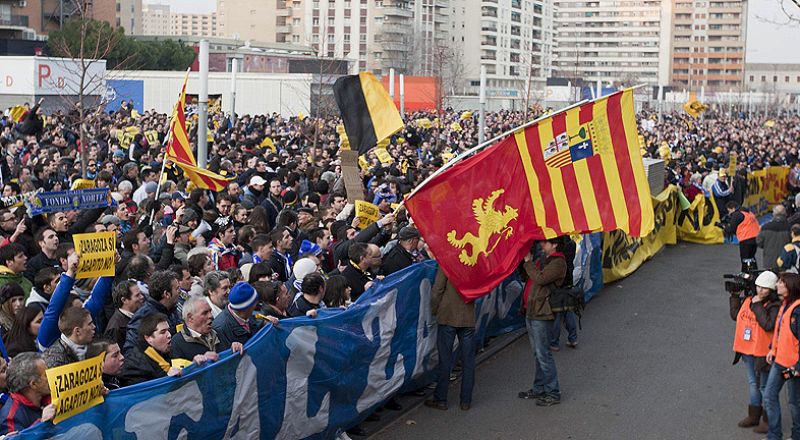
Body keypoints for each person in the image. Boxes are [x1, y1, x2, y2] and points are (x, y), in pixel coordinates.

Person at [518, 237, 566, 406]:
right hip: (531, 312)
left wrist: (528, 262)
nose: (541, 245)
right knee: (537, 354)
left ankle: (553, 392)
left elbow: (540, 279)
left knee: (543, 354)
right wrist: (524, 263)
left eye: (545, 242)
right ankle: (539, 388)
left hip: (541, 314)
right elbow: (529, 277)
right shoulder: (544, 260)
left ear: (555, 244)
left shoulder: (558, 262)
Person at [729, 271, 779, 433]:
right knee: (753, 383)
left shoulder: (774, 306)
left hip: (764, 353)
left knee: (764, 386)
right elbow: (736, 315)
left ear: (772, 290)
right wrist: (735, 297)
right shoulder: (749, 300)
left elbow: (768, 324)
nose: (760, 290)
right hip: (747, 350)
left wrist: (757, 305)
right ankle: (754, 415)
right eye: (758, 286)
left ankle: (767, 420)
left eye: (765, 288)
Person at [425, 268, 476, 411]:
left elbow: (437, 290)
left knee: (445, 359)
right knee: (468, 361)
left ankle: (441, 399)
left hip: (448, 315)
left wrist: (434, 310)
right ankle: (466, 401)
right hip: (468, 315)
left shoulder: (447, 264)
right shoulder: (474, 264)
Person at [763, 272, 800, 440]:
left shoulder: (797, 311)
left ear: (790, 286)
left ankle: (796, 435)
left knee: (794, 403)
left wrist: (797, 367)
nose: (777, 284)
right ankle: (774, 435)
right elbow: (780, 331)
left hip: (794, 366)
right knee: (770, 396)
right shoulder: (785, 304)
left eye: (780, 282)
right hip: (780, 361)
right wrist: (773, 349)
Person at [171, 296, 244, 364]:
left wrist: (234, 348)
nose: (211, 316)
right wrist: (194, 365)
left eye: (210, 311)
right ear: (190, 318)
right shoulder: (177, 342)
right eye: (205, 313)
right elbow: (180, 374)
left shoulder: (218, 333)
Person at [124, 270, 181, 354]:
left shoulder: (172, 310)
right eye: (177, 288)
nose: (180, 291)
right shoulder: (143, 317)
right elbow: (131, 351)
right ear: (167, 294)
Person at [0, 352, 55, 435]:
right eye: (46, 375)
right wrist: (42, 423)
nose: (52, 377)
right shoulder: (10, 418)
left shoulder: (51, 396)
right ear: (34, 384)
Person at [120, 313, 182, 386]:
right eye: (163, 332)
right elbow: (144, 392)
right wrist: (166, 378)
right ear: (148, 338)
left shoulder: (169, 350)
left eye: (168, 330)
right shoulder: (135, 366)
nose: (169, 335)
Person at [212, 282, 263, 351]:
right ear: (248, 307)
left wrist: (265, 323)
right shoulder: (220, 329)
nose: (257, 303)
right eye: (255, 302)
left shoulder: (248, 315)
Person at [104, 280, 144, 349]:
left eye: (140, 294)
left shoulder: (138, 315)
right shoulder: (116, 328)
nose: (142, 297)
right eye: (137, 295)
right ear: (124, 300)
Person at [725, 202, 761, 271]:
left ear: (733, 208)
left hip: (746, 239)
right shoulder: (749, 213)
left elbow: (731, 228)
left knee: (745, 259)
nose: (729, 213)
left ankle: (745, 275)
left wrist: (724, 227)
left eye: (729, 211)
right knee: (751, 258)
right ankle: (755, 273)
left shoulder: (737, 214)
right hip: (755, 238)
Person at [757, 205, 792, 271]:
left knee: (770, 279)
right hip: (785, 261)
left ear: (773, 213)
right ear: (785, 213)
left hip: (769, 261)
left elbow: (759, 242)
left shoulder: (765, 227)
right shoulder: (789, 227)